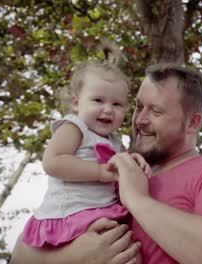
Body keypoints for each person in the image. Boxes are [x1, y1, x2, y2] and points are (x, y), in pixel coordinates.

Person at [12, 63, 202, 264]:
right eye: (138, 107)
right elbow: (19, 256)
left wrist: (138, 200)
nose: (139, 120)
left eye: (155, 112)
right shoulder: (110, 166)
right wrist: (71, 259)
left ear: (192, 123)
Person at [20, 62, 150, 251]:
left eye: (117, 104)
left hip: (103, 211)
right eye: (98, 100)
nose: (108, 109)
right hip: (72, 214)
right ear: (76, 103)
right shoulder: (75, 127)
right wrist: (98, 171)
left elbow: (121, 166)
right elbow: (53, 162)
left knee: (130, 254)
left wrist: (135, 161)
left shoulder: (114, 140)